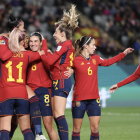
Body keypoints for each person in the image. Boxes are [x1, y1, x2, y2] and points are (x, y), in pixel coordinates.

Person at [69, 36, 133, 140]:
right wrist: (70, 70)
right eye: (93, 45)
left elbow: (108, 62)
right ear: (86, 46)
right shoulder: (75, 60)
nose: (95, 47)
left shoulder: (96, 58)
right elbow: (64, 68)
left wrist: (124, 53)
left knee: (95, 128)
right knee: (76, 129)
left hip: (94, 99)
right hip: (79, 99)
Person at [39, 4, 79, 140]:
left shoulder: (63, 45)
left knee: (59, 114)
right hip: (60, 80)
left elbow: (49, 62)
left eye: (56, 32)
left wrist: (43, 52)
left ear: (62, 34)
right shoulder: (68, 45)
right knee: (56, 114)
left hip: (61, 81)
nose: (53, 34)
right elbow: (57, 62)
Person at [0, 28, 43, 140]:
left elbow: (3, 51)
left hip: (6, 94)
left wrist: (4, 37)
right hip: (22, 94)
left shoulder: (5, 52)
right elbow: (41, 53)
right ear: (23, 42)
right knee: (26, 129)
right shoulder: (27, 55)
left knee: (4, 128)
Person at [27, 32, 58, 140]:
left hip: (44, 91)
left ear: (41, 43)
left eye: (36, 41)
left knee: (48, 126)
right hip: (29, 92)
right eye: (31, 41)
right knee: (30, 126)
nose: (33, 43)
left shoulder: (47, 55)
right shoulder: (25, 55)